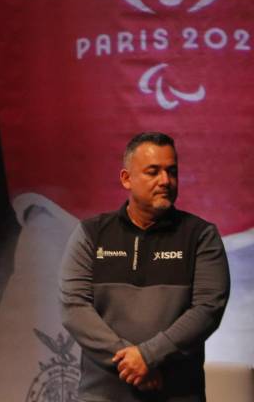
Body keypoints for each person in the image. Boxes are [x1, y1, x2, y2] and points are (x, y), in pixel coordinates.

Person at [59, 132, 230, 401]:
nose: (165, 181)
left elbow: (208, 309)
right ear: (126, 179)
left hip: (178, 394)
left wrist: (148, 356)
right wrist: (133, 363)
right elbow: (74, 308)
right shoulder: (91, 233)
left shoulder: (201, 235)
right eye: (153, 172)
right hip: (102, 395)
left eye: (172, 172)